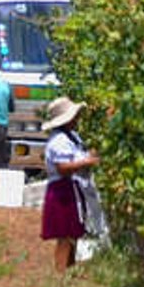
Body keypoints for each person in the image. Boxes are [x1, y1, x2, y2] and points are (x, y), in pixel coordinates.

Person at [39, 95, 105, 271]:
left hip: (70, 187)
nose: (77, 120)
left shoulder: (71, 137)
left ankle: (69, 268)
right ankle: (61, 271)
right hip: (62, 189)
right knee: (64, 233)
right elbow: (63, 168)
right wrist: (87, 162)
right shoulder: (59, 141)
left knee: (73, 230)